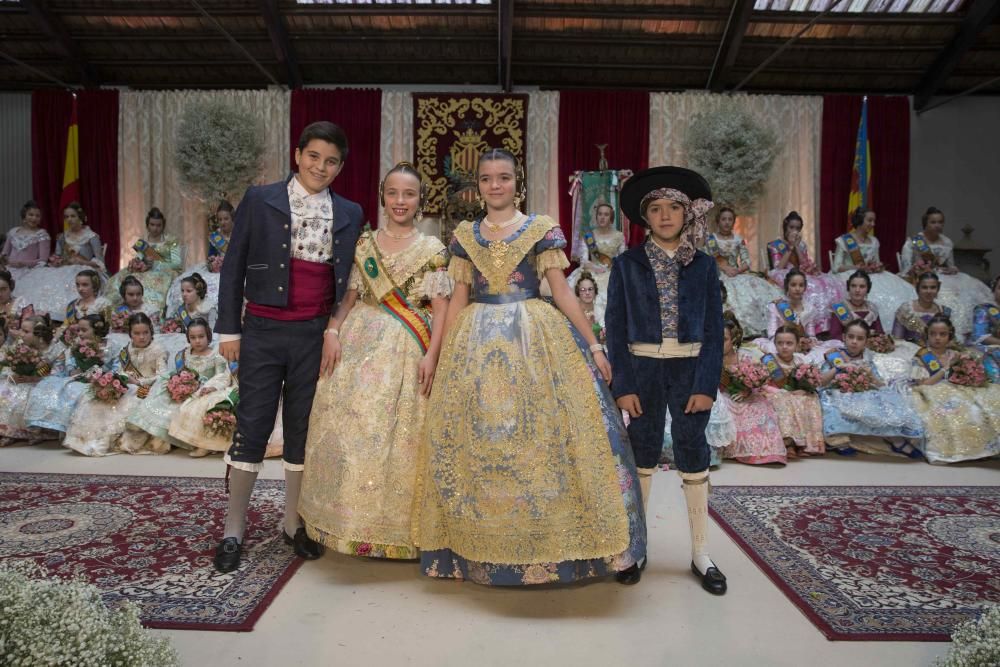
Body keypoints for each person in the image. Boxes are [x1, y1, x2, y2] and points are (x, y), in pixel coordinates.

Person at [415, 148, 645, 586]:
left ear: (517, 183)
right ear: (478, 185)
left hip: (532, 337)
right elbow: (459, 298)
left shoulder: (540, 230)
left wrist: (594, 346)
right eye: (487, 179)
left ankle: (571, 546)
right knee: (481, 441)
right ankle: (481, 546)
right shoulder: (465, 235)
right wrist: (440, 353)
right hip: (475, 343)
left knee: (544, 437)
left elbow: (561, 293)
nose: (495, 185)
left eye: (503, 177)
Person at [213, 121, 364, 573]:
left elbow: (354, 279)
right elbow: (233, 263)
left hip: (313, 336)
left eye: (331, 161)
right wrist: (229, 331)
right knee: (254, 426)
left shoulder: (351, 212)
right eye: (314, 156)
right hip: (261, 329)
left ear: (340, 167)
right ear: (298, 155)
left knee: (303, 430)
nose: (321, 166)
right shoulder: (261, 198)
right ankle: (233, 528)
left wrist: (336, 330)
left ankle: (292, 521)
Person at [298, 162, 452, 560]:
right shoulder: (364, 244)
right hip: (356, 342)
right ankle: (341, 523)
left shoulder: (433, 249)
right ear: (383, 196)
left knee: (400, 438)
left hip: (407, 349)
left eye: (409, 194)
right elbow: (349, 296)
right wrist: (332, 333)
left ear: (421, 201)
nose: (400, 201)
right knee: (348, 429)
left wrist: (433, 356)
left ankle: (399, 532)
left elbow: (441, 309)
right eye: (393, 193)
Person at [606, 165, 724, 591]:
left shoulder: (705, 266)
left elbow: (714, 331)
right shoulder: (627, 264)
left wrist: (705, 386)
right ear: (645, 217)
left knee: (694, 451)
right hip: (643, 369)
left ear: (687, 213)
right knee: (643, 451)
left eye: (674, 207)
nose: (666, 215)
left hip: (690, 369)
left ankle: (701, 553)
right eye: (655, 209)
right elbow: (615, 328)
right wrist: (624, 385)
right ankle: (636, 550)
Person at [63, 313, 167, 456]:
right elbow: (119, 370)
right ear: (130, 334)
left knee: (131, 402)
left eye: (145, 333)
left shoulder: (158, 350)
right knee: (99, 400)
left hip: (148, 387)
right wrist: (120, 380)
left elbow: (163, 375)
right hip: (127, 385)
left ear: (151, 332)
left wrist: (139, 382)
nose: (142, 337)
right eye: (137, 333)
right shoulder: (126, 350)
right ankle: (93, 438)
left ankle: (112, 440)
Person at [818, 319, 925, 458]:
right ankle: (838, 439)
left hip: (862, 391)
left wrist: (868, 375)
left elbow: (879, 384)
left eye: (860, 338)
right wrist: (837, 368)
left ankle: (895, 439)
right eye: (851, 337)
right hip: (839, 391)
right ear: (844, 337)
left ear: (866, 342)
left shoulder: (867, 360)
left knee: (887, 399)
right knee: (831, 402)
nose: (854, 341)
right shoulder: (834, 356)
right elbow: (821, 382)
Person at [120, 318, 227, 455]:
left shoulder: (216, 355)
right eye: (193, 337)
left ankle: (200, 443)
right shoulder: (184, 354)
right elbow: (178, 374)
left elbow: (221, 376)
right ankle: (153, 436)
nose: (197, 341)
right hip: (186, 390)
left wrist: (211, 387)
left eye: (201, 336)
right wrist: (177, 384)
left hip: (206, 390)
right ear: (188, 338)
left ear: (208, 335)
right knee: (163, 400)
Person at [908, 314, 1000, 463]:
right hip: (934, 392)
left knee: (985, 405)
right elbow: (924, 384)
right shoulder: (922, 356)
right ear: (927, 335)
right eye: (933, 334)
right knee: (958, 411)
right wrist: (946, 368)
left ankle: (984, 448)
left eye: (942, 334)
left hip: (961, 390)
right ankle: (958, 451)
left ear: (949, 335)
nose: (937, 338)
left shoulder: (956, 354)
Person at [899, 207, 993, 337]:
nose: (937, 225)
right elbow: (906, 268)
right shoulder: (914, 242)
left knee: (962, 293)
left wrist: (952, 269)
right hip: (920, 277)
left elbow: (951, 266)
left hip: (942, 276)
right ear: (925, 223)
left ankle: (958, 332)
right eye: (933, 222)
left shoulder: (947, 242)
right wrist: (917, 269)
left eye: (940, 222)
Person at [14, 202, 107, 318]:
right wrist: (56, 261)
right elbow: (57, 255)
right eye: (66, 217)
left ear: (80, 217)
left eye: (73, 216)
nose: (69, 219)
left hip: (85, 269)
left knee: (72, 282)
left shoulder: (91, 236)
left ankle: (71, 314)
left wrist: (82, 262)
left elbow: (100, 262)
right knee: (46, 279)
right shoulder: (62, 236)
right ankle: (42, 314)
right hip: (65, 268)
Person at [24, 313, 111, 437]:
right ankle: (44, 428)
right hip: (75, 377)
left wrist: (97, 374)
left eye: (84, 330)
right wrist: (73, 371)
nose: (80, 333)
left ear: (96, 329)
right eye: (78, 330)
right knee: (48, 384)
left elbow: (113, 366)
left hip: (99, 380)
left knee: (74, 389)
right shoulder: (75, 346)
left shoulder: (109, 346)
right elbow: (69, 365)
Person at [831, 207, 914, 332]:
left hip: (872, 275)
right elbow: (836, 267)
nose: (873, 224)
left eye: (874, 221)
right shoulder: (844, 240)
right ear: (860, 221)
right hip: (850, 275)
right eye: (869, 220)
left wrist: (877, 266)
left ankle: (892, 330)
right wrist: (856, 267)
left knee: (897, 293)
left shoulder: (874, 241)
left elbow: (876, 261)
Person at [719, 317, 786, 467]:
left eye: (723, 339)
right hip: (720, 395)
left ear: (733, 340)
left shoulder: (745, 356)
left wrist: (748, 391)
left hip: (748, 394)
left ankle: (763, 451)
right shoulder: (709, 358)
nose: (718, 343)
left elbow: (759, 378)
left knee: (760, 408)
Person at [707, 206, 780, 336]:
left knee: (753, 294)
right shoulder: (711, 239)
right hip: (718, 275)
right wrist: (724, 269)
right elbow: (708, 260)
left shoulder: (738, 239)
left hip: (737, 274)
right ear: (718, 221)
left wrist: (737, 270)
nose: (727, 222)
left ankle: (752, 330)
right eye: (724, 219)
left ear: (734, 221)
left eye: (730, 219)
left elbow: (747, 262)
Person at [767, 211, 843, 331]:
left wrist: (796, 246)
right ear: (785, 227)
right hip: (784, 272)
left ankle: (825, 325)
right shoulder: (776, 245)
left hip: (800, 272)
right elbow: (779, 267)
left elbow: (804, 263)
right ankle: (805, 323)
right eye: (791, 227)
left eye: (797, 228)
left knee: (826, 283)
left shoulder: (801, 244)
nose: (794, 231)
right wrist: (790, 247)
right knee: (810, 286)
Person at [763, 325, 826, 458]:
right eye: (780, 343)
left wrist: (804, 389)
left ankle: (808, 444)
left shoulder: (801, 360)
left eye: (789, 343)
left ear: (797, 345)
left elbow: (811, 381)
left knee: (810, 398)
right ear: (774, 344)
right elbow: (762, 384)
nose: (784, 347)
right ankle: (789, 443)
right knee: (784, 400)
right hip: (775, 394)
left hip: (797, 394)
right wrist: (779, 391)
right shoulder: (769, 361)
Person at [0, 315, 63, 446]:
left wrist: (36, 378)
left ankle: (34, 432)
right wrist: (13, 376)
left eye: (26, 331)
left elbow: (59, 374)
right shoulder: (19, 344)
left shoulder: (56, 348)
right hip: (21, 380)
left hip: (44, 383)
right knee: (6, 390)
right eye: (21, 330)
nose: (20, 334)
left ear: (39, 333)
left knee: (26, 394)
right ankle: (7, 432)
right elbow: (7, 367)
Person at [105, 207, 183, 311]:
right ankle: (121, 310)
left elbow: (177, 264)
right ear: (147, 225)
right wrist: (136, 262)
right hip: (145, 270)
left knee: (150, 283)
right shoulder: (142, 242)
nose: (155, 228)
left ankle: (148, 311)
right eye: (152, 225)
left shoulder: (171, 240)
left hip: (165, 272)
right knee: (123, 278)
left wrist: (156, 264)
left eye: (158, 225)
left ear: (163, 225)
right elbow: (140, 258)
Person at [165, 201, 235, 314]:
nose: (222, 222)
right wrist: (213, 263)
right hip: (217, 269)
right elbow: (211, 256)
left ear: (232, 218)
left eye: (226, 219)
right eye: (220, 219)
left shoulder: (240, 234)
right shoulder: (215, 236)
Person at [566, 200, 626, 316]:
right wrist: (596, 268)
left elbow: (622, 260)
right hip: (591, 271)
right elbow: (584, 260)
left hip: (612, 273)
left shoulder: (619, 236)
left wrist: (612, 269)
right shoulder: (589, 236)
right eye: (600, 214)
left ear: (611, 217)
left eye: (606, 214)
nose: (602, 217)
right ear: (596, 216)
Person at [892, 272, 952, 344]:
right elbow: (897, 340)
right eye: (924, 287)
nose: (929, 291)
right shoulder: (906, 310)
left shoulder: (944, 311)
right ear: (918, 289)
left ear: (938, 289)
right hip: (910, 352)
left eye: (933, 287)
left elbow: (948, 339)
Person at [1, 200, 50, 282]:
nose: (34, 218)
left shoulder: (42, 235)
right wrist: (5, 261)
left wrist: (23, 263)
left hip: (29, 272)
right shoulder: (13, 232)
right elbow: (4, 253)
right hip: (8, 270)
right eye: (31, 215)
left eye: (37, 216)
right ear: (24, 216)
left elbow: (43, 260)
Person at [0, 270, 29, 340]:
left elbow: (30, 329)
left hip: (17, 344)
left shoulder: (21, 303)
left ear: (11, 287)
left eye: (3, 289)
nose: (0, 294)